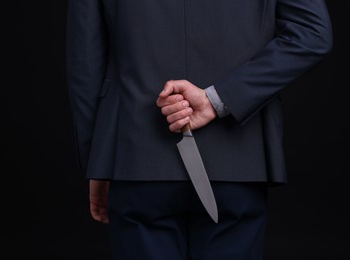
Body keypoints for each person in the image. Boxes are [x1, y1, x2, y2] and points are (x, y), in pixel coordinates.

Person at [66, 0, 332, 259]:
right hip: (239, 158)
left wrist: (97, 162)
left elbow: (85, 62)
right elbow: (312, 33)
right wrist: (218, 99)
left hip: (135, 157)